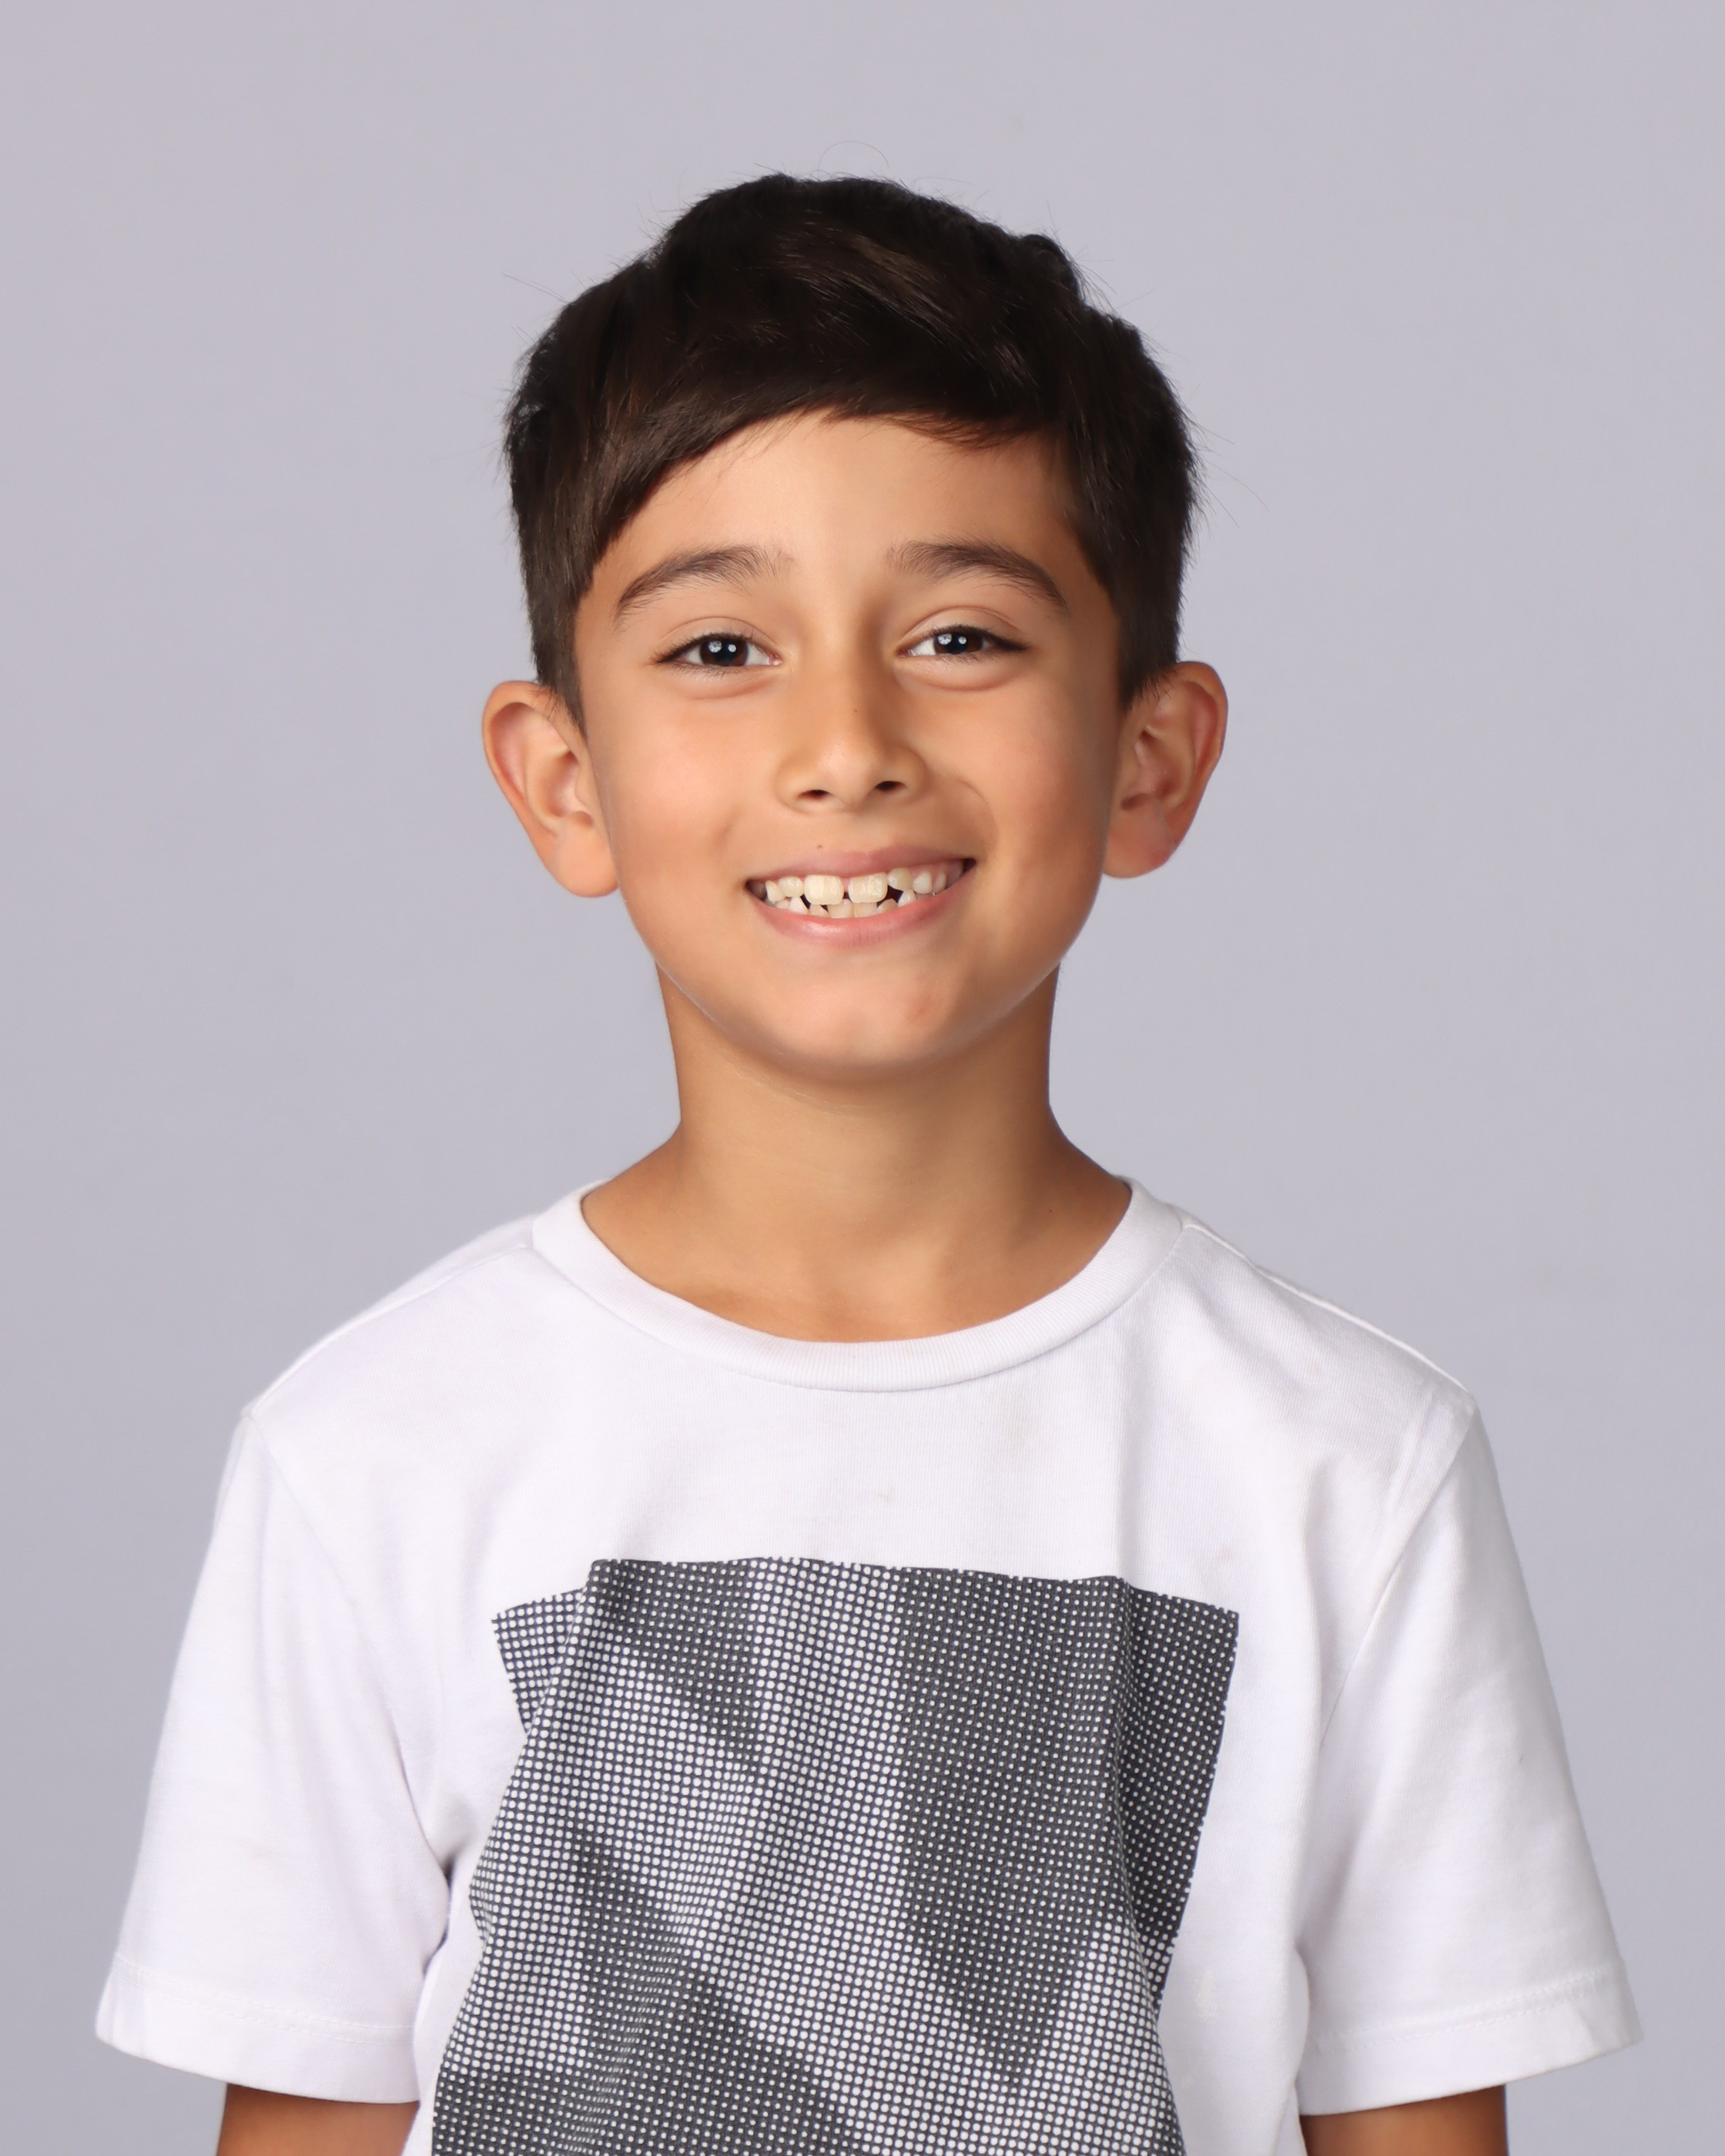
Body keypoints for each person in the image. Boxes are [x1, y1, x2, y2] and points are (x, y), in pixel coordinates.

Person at [99, 176, 1637, 2156]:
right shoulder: (373, 1453)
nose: (846, 742)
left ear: (1149, 758)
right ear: (564, 778)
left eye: (960, 635)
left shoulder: (1349, 1464)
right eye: (721, 644)